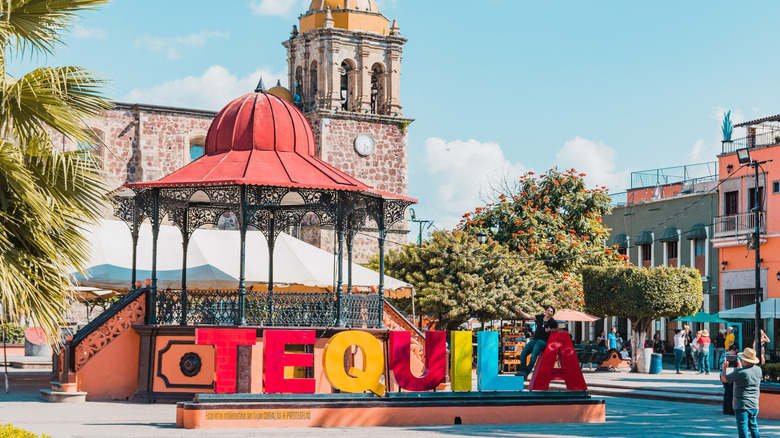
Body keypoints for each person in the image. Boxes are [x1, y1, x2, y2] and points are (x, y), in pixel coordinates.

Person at [721, 347, 763, 438]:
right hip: (754, 404)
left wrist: (724, 368)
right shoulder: (758, 370)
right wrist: (739, 367)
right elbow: (746, 376)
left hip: (741, 404)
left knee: (742, 426)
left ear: (744, 360)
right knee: (753, 426)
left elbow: (724, 379)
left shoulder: (740, 372)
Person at [516, 305, 557, 378]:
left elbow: (557, 329)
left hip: (542, 341)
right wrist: (520, 312)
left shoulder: (553, 321)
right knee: (523, 353)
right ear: (545, 311)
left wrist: (550, 330)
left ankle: (526, 373)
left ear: (553, 314)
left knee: (533, 357)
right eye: (548, 310)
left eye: (551, 312)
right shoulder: (540, 317)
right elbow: (529, 316)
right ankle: (523, 371)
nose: (549, 312)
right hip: (534, 339)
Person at [722, 344, 739, 416]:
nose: (736, 354)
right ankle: (729, 409)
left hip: (726, 374)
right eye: (736, 352)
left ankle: (726, 408)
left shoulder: (724, 355)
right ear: (732, 350)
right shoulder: (726, 356)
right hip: (727, 374)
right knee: (729, 393)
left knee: (727, 392)